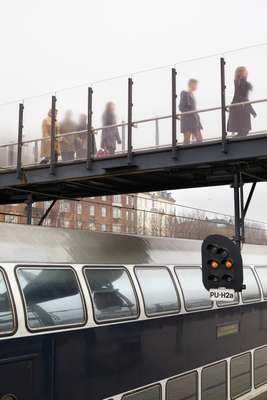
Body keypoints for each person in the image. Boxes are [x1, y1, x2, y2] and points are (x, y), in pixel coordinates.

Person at [227, 66, 256, 137]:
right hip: (242, 111)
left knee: (242, 132)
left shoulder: (238, 83)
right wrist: (252, 111)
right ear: (242, 73)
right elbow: (244, 99)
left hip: (239, 110)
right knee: (243, 132)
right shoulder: (243, 83)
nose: (247, 72)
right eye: (246, 71)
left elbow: (242, 98)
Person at [179, 79, 203, 145]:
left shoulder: (192, 95)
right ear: (191, 84)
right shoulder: (185, 93)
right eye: (195, 85)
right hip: (187, 120)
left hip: (195, 120)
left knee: (200, 139)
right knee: (187, 140)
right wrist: (192, 113)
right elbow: (181, 107)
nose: (196, 87)